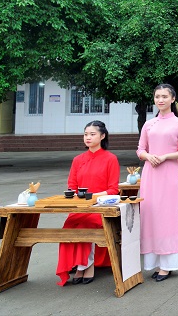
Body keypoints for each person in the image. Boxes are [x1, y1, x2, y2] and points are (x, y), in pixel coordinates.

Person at [137, 83, 178, 281]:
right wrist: (147, 155)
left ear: (173, 99)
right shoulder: (148, 124)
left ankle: (168, 265)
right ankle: (154, 262)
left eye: (164, 96)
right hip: (150, 175)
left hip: (169, 174)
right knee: (150, 215)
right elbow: (140, 149)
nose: (160, 100)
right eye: (157, 96)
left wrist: (166, 156)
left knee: (168, 216)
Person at [56, 121, 120, 286]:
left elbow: (113, 189)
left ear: (102, 136)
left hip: (100, 207)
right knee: (68, 226)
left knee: (88, 225)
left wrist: (93, 196)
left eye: (92, 134)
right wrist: (78, 196)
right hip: (80, 206)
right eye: (86, 134)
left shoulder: (110, 159)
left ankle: (86, 266)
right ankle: (77, 265)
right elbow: (72, 186)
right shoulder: (78, 160)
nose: (88, 137)